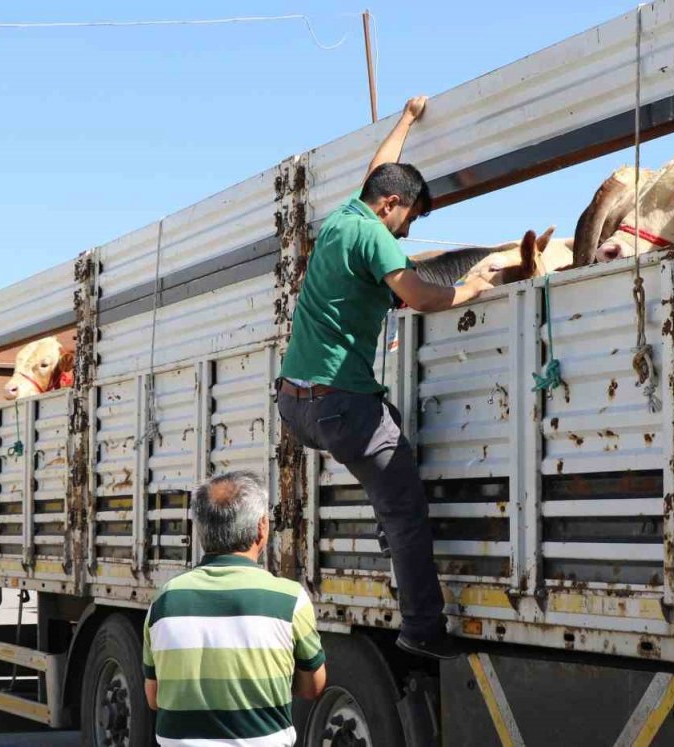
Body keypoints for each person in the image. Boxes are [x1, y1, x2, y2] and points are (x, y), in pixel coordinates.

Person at [276, 94, 494, 660]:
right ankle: (423, 629)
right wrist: (471, 289)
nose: (405, 231)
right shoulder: (374, 234)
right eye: (408, 219)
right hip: (341, 407)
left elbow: (379, 168)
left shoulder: (347, 215)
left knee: (387, 429)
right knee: (406, 510)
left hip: (296, 403)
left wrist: (407, 120)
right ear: (391, 205)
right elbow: (417, 295)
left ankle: (386, 520)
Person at [143, 471, 327, 746]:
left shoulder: (166, 601)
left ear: (201, 529)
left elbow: (154, 697)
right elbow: (313, 687)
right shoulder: (289, 599)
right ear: (262, 528)